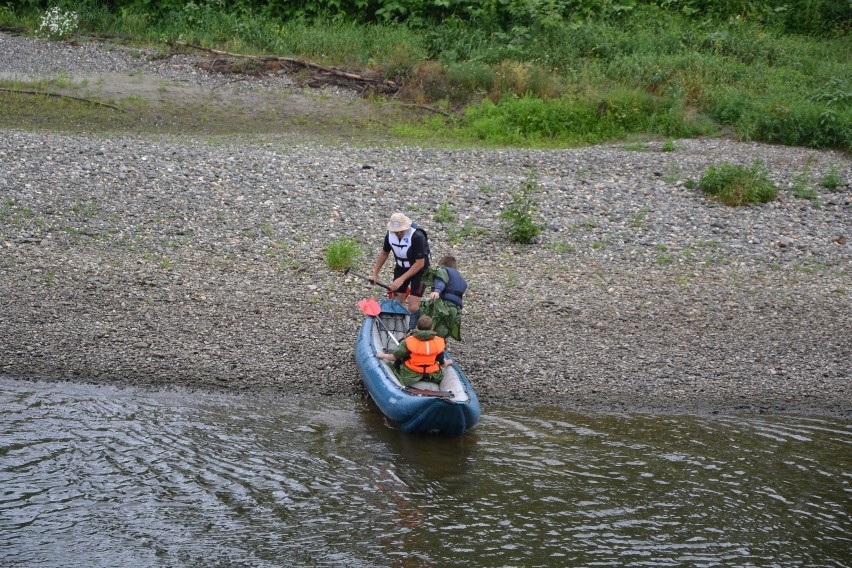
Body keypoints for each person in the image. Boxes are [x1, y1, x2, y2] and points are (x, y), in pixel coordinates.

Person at [370, 212, 431, 330]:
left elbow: (420, 263)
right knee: (396, 302)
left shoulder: (417, 236)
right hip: (401, 268)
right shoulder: (389, 235)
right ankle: (396, 328)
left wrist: (401, 279)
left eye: (401, 230)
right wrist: (374, 274)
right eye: (396, 231)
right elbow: (384, 253)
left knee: (413, 306)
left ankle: (413, 330)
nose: (399, 233)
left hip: (420, 271)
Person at [376, 316, 453, 387]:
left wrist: (383, 355)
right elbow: (442, 362)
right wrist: (448, 362)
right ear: (432, 328)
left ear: (417, 327)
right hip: (432, 375)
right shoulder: (439, 342)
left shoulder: (408, 341)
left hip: (410, 374)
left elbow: (394, 357)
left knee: (394, 364)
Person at [422, 255, 467, 341]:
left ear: (442, 264)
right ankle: (440, 348)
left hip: (444, 306)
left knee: (429, 323)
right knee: (444, 332)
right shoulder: (460, 278)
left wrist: (437, 291)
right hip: (456, 309)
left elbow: (441, 281)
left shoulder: (443, 270)